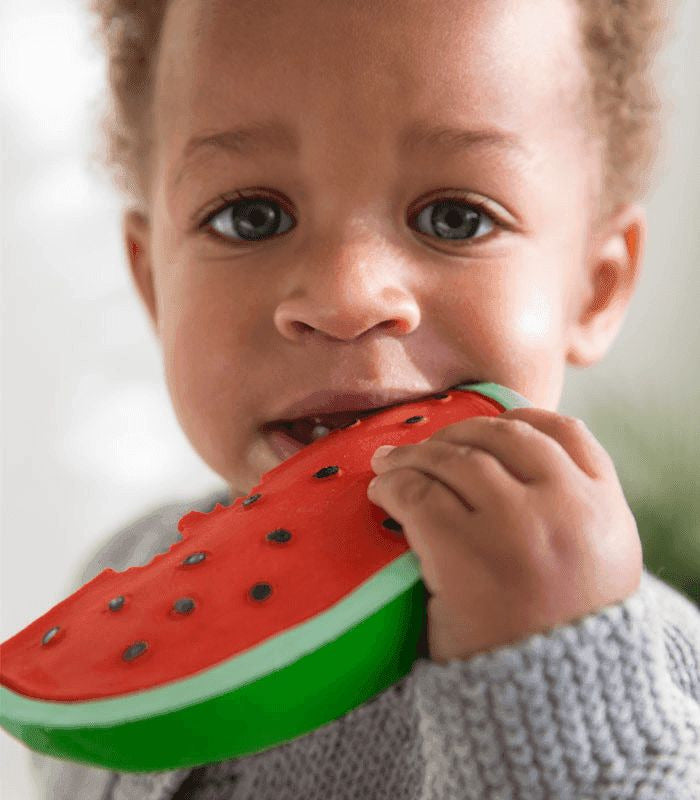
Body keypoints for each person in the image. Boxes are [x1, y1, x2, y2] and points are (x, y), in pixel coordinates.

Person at [28, 1, 699, 798]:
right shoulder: (124, 571)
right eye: (252, 217)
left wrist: (554, 682)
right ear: (153, 284)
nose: (346, 297)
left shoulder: (652, 667)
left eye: (455, 218)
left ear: (594, 288)